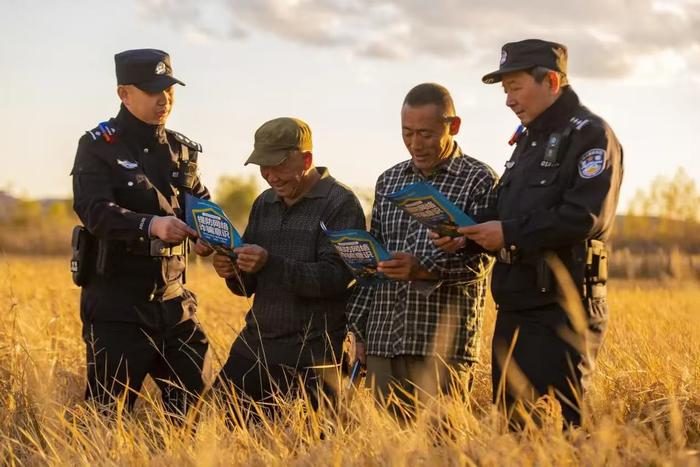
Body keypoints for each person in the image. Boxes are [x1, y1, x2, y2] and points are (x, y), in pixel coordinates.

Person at [434, 39, 623, 427]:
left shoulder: (589, 135)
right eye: (506, 91)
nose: (509, 101)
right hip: (516, 303)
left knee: (559, 432)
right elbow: (506, 211)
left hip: (562, 308)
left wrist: (507, 233)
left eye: (515, 88)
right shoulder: (527, 142)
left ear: (551, 81)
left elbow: (584, 217)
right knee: (512, 428)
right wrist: (465, 235)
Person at [71, 49, 214, 418]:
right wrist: (150, 224)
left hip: (174, 303)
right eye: (152, 90)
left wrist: (209, 236)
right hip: (117, 304)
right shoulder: (98, 145)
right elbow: (94, 210)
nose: (163, 99)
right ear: (124, 93)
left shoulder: (182, 149)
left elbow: (201, 204)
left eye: (168, 88)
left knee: (192, 411)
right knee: (107, 417)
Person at [346, 83, 498, 416]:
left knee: (440, 450)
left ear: (453, 126)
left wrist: (422, 270)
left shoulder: (479, 180)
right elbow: (372, 265)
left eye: (427, 134)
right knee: (387, 451)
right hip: (384, 340)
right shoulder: (389, 181)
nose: (416, 144)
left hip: (443, 348)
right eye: (407, 133)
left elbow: (484, 264)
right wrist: (358, 329)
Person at [212, 117, 365, 418]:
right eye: (262, 166)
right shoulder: (264, 203)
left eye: (278, 165)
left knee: (308, 448)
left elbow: (336, 278)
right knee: (209, 430)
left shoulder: (340, 203)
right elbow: (248, 288)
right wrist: (233, 271)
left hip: (312, 356)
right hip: (255, 347)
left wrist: (269, 262)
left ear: (306, 159)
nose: (269, 175)